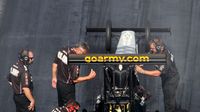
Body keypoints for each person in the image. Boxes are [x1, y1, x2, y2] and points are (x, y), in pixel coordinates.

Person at [135, 37, 180, 112]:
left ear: (159, 47)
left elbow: (157, 73)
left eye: (153, 49)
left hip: (171, 80)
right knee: (170, 99)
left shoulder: (165, 57)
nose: (151, 50)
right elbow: (148, 57)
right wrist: (139, 64)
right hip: (166, 78)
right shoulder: (157, 50)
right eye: (151, 48)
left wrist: (142, 71)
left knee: (168, 102)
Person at [52, 42, 96, 107]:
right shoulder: (75, 60)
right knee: (71, 108)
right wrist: (89, 77)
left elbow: (55, 64)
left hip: (59, 84)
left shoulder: (63, 49)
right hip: (67, 88)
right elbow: (74, 80)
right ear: (79, 50)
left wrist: (54, 78)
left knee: (61, 107)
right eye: (83, 54)